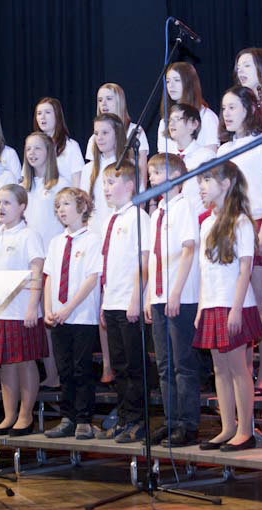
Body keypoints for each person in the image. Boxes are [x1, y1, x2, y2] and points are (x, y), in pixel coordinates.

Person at [194, 161, 262, 451]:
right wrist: (201, 308)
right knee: (219, 369)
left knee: (237, 368)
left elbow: (245, 269)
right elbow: (204, 270)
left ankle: (245, 430)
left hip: (234, 304)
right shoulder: (206, 223)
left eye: (207, 180)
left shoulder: (241, 222)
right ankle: (227, 427)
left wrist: (236, 309)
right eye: (200, 181)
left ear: (226, 184)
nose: (201, 186)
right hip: (212, 303)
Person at [217, 85, 262, 395]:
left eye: (232, 107)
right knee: (238, 301)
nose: (226, 114)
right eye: (224, 108)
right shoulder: (222, 150)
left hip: (257, 221)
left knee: (261, 300)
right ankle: (245, 370)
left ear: (250, 109)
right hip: (231, 225)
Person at [144, 153, 201, 447]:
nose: (151, 178)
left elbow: (188, 249)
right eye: (151, 174)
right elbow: (154, 258)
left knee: (183, 364)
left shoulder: (183, 207)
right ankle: (171, 420)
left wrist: (176, 291)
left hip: (181, 296)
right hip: (158, 296)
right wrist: (148, 295)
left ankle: (188, 425)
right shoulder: (157, 214)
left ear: (176, 177)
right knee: (164, 364)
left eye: (156, 173)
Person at [0, 184, 47, 436]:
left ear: (22, 207)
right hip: (0, 311)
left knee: (25, 362)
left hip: (22, 310)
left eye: (7, 203)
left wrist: (32, 306)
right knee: (5, 364)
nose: (1, 207)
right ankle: (9, 415)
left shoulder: (29, 235)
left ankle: (25, 415)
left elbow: (37, 272)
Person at [95, 160, 151, 443]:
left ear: (129, 186)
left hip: (129, 302)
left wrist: (135, 299)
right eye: (104, 183)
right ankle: (125, 417)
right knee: (118, 365)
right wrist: (104, 302)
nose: (106, 188)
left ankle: (138, 420)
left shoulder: (138, 217)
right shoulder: (110, 219)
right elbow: (108, 265)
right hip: (112, 301)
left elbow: (143, 262)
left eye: (111, 182)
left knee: (133, 365)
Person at [43, 188, 102, 440]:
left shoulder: (92, 239)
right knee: (64, 369)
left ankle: (84, 420)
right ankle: (67, 418)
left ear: (82, 207)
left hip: (82, 316)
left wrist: (69, 308)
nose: (61, 210)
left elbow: (91, 279)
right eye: (58, 206)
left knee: (81, 369)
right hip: (59, 316)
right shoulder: (56, 242)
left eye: (66, 204)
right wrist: (48, 309)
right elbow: (49, 277)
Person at [79, 112, 131, 384]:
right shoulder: (89, 169)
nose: (99, 138)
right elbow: (85, 207)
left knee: (114, 300)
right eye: (96, 133)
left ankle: (121, 362)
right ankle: (107, 363)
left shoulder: (125, 165)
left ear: (117, 135)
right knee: (101, 302)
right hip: (96, 238)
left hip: (119, 238)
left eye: (105, 133)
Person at [21, 132, 71, 388]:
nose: (32, 154)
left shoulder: (60, 183)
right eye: (28, 149)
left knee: (51, 318)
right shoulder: (23, 186)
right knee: (37, 320)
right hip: (30, 260)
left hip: (52, 260)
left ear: (49, 152)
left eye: (37, 148)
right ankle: (48, 373)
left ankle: (58, 374)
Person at [85, 83, 150, 181]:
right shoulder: (94, 138)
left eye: (109, 99)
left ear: (120, 102)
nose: (103, 104)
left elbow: (141, 174)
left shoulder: (135, 131)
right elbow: (92, 173)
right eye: (100, 100)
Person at [166, 103, 216, 219]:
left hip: (198, 219)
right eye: (170, 120)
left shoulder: (206, 157)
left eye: (177, 119)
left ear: (193, 124)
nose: (171, 124)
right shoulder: (168, 159)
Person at [157, 62, 219, 154]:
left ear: (189, 83)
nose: (171, 86)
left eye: (177, 80)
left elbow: (211, 155)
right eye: (168, 81)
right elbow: (162, 156)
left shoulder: (207, 117)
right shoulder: (165, 121)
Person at [33, 97, 86, 185]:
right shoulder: (33, 146)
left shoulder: (71, 146)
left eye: (47, 112)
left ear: (57, 116)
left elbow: (77, 183)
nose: (42, 117)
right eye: (39, 113)